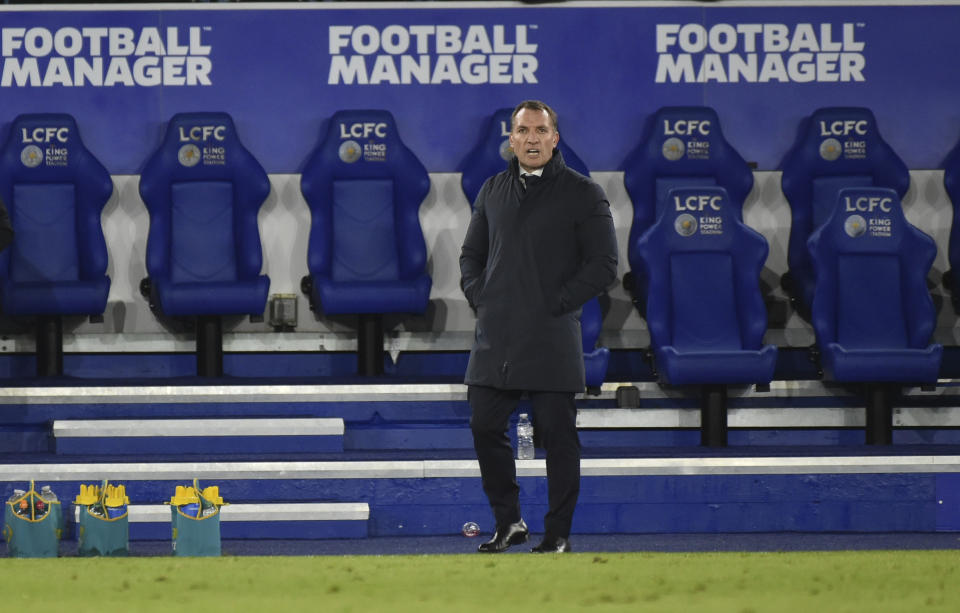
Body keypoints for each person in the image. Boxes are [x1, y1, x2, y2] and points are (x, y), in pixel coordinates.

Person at [459, 100, 618, 553]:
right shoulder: (491, 190)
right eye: (523, 130)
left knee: (558, 437)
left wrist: (559, 303)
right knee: (483, 425)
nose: (531, 138)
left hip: (551, 335)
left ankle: (558, 534)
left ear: (555, 138)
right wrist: (479, 295)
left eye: (540, 130)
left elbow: (604, 264)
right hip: (497, 337)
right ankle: (508, 523)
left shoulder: (584, 193)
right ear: (511, 139)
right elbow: (471, 255)